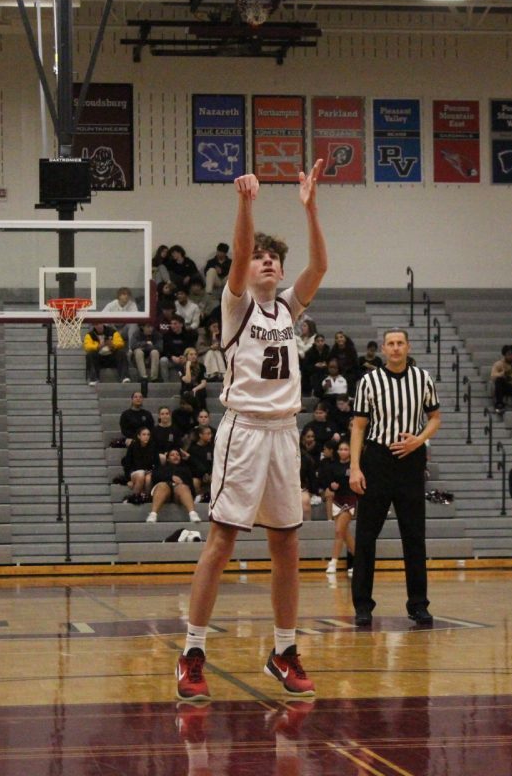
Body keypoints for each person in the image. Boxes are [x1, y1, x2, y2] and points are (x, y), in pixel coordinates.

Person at [177, 159, 327, 702]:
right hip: (243, 431)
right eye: (261, 256)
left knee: (287, 544)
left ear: (282, 271)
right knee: (221, 541)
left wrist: (311, 210)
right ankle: (193, 650)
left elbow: (321, 266)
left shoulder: (289, 306)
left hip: (285, 433)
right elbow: (239, 256)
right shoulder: (237, 305)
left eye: (274, 258)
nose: (266, 261)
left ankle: (283, 650)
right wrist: (246, 203)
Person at [349, 328, 442, 628]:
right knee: (366, 536)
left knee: (414, 537)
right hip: (376, 460)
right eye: (391, 344)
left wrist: (419, 440)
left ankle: (419, 605)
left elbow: (435, 418)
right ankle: (363, 605)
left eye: (400, 343)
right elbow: (359, 426)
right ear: (384, 349)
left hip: (410, 461)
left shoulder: (422, 378)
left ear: (407, 346)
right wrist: (355, 467)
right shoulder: (369, 381)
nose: (396, 348)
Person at [324, 441, 357, 575]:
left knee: (338, 531)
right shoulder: (333, 466)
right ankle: (360, 562)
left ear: (350, 451)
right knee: (345, 534)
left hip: (350, 500)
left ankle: (333, 562)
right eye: (341, 449)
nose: (343, 451)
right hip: (337, 500)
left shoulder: (354, 466)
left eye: (345, 449)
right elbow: (329, 483)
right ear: (337, 451)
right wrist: (332, 486)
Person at [147, 447, 200, 524]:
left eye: (178, 455)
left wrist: (189, 457)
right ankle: (153, 514)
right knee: (162, 485)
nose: (175, 456)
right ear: (167, 459)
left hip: (179, 493)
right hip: (165, 491)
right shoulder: (162, 467)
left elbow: (201, 470)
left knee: (183, 487)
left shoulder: (185, 469)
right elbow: (155, 476)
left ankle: (192, 513)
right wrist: (171, 477)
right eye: (172, 455)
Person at [122, 426, 157, 504]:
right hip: (135, 472)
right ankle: (134, 498)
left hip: (148, 471)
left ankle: (146, 498)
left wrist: (151, 471)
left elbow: (157, 463)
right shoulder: (133, 446)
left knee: (148, 479)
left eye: (148, 434)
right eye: (144, 434)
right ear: (138, 436)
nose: (146, 437)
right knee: (141, 474)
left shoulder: (153, 446)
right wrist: (128, 480)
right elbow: (127, 464)